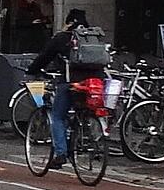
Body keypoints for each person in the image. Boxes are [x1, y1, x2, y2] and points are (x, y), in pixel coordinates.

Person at [25, 9, 105, 163]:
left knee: (58, 116)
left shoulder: (62, 38)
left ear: (68, 23)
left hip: (72, 82)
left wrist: (32, 71)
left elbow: (44, 57)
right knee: (92, 110)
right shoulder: (95, 37)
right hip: (95, 82)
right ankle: (97, 141)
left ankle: (61, 153)